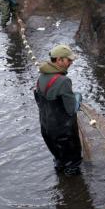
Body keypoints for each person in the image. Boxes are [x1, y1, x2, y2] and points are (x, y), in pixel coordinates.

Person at [33, 44, 83, 175]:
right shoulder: (63, 81)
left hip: (46, 130)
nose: (71, 62)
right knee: (72, 165)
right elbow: (71, 109)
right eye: (69, 60)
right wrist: (77, 97)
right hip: (64, 133)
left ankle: (62, 187)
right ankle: (74, 192)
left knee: (59, 161)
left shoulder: (41, 78)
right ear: (59, 60)